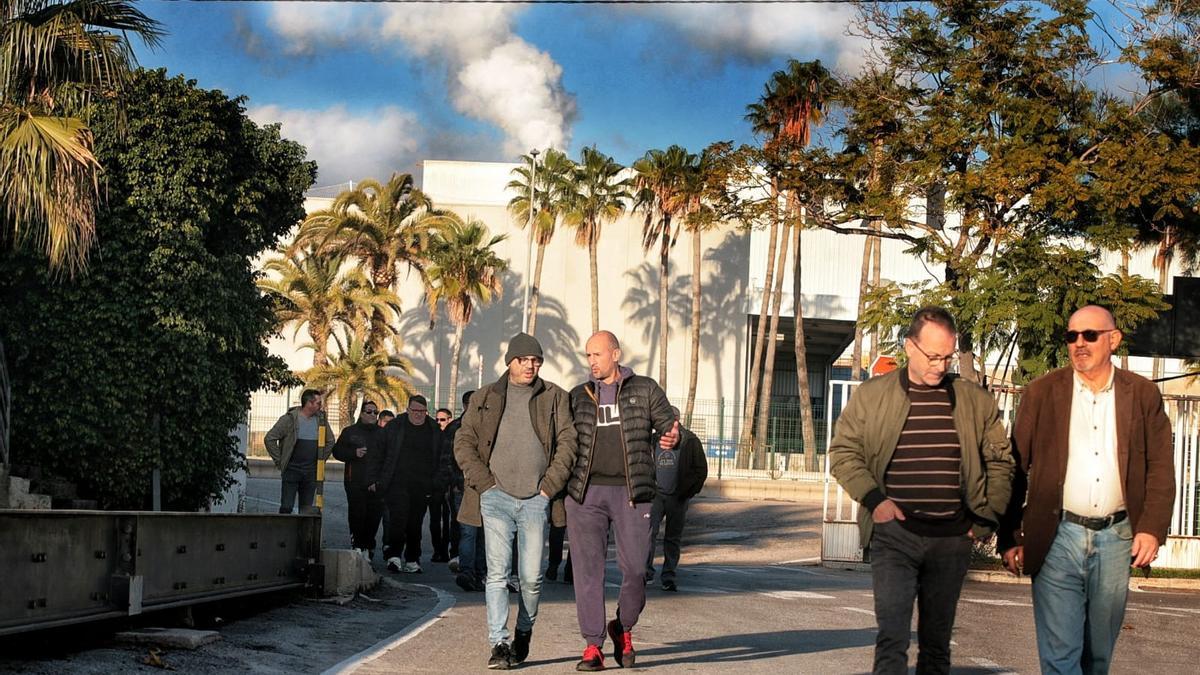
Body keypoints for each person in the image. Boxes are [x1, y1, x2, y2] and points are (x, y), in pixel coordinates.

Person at [829, 306, 1014, 675]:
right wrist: (875, 501)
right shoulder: (872, 396)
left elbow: (1001, 463)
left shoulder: (974, 401)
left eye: (947, 357)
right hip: (895, 537)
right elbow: (844, 453)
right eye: (932, 356)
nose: (940, 365)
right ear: (909, 347)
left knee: (936, 644)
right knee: (892, 638)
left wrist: (984, 519)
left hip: (952, 540)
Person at [999, 305, 1175, 674]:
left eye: (1090, 335)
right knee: (1060, 657)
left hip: (1117, 537)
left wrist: (1151, 528)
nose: (1079, 343)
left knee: (1097, 657)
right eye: (1072, 336)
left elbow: (1160, 466)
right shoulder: (1041, 393)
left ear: (1113, 340)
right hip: (1057, 536)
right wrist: (1009, 536)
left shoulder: (1142, 395)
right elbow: (1015, 467)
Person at [454, 333, 577, 670]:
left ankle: (523, 631)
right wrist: (485, 484)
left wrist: (548, 487)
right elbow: (463, 441)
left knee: (532, 578)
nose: (530, 366)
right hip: (495, 498)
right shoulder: (485, 396)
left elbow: (568, 443)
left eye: (536, 360)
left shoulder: (555, 397)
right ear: (510, 361)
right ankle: (498, 643)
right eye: (523, 360)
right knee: (497, 574)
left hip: (537, 499)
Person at [566, 330, 679, 672]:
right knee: (588, 573)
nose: (592, 361)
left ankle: (623, 627)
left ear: (615, 354)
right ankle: (593, 645)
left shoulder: (645, 389)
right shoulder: (578, 396)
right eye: (588, 355)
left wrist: (671, 435)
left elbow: (667, 423)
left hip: (633, 494)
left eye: (597, 354)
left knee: (636, 570)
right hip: (586, 495)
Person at [375, 394, 444, 574]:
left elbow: (441, 457)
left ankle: (413, 559)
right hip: (397, 483)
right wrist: (378, 479)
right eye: (415, 411)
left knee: (415, 523)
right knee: (398, 520)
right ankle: (394, 556)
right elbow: (380, 452)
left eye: (422, 411)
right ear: (408, 410)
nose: (419, 414)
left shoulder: (433, 429)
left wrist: (436, 482)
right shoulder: (395, 427)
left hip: (423, 485)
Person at [645, 406, 708, 592]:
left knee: (672, 538)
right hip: (655, 496)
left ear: (677, 420)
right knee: (648, 534)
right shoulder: (653, 439)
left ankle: (668, 576)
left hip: (678, 497)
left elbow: (701, 470)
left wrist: (688, 492)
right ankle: (646, 573)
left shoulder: (690, 441)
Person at [264, 388, 335, 514]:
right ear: (309, 403)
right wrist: (280, 460)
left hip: (311, 472)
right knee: (286, 507)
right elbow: (270, 438)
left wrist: (321, 459)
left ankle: (303, 527)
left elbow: (330, 441)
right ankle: (284, 526)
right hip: (291, 470)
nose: (321, 406)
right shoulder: (290, 419)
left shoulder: (321, 420)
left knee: (306, 509)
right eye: (318, 403)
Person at [331, 401, 385, 558]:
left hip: (375, 483)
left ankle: (369, 545)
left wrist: (379, 481)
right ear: (361, 413)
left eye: (375, 412)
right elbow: (337, 451)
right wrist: (353, 453)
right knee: (357, 514)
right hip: (355, 481)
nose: (373, 415)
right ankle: (358, 545)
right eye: (369, 412)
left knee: (374, 517)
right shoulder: (350, 432)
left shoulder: (383, 433)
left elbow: (388, 458)